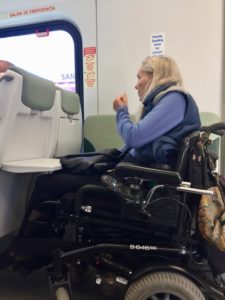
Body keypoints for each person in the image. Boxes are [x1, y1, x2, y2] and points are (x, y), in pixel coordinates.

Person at [18, 55, 201, 236]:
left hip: (137, 182)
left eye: (139, 77)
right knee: (61, 174)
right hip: (134, 176)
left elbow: (134, 138)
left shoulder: (174, 99)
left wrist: (121, 111)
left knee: (47, 183)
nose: (136, 85)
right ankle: (43, 240)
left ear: (154, 75)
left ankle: (26, 244)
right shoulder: (168, 100)